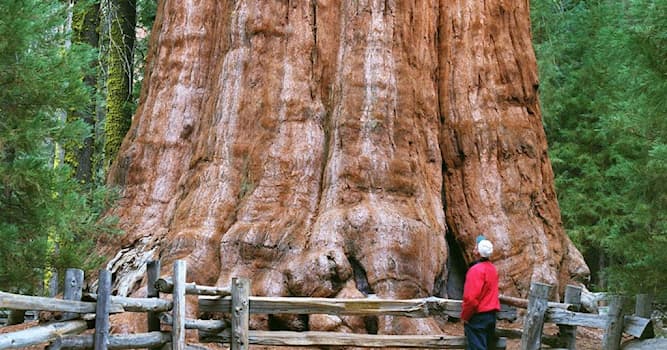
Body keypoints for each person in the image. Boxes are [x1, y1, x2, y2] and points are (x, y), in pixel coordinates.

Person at [461, 236, 501, 350]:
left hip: (478, 317)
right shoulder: (492, 269)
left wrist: (465, 316)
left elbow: (471, 298)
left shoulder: (475, 270)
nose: (473, 249)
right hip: (491, 316)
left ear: (478, 252)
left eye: (475, 248)